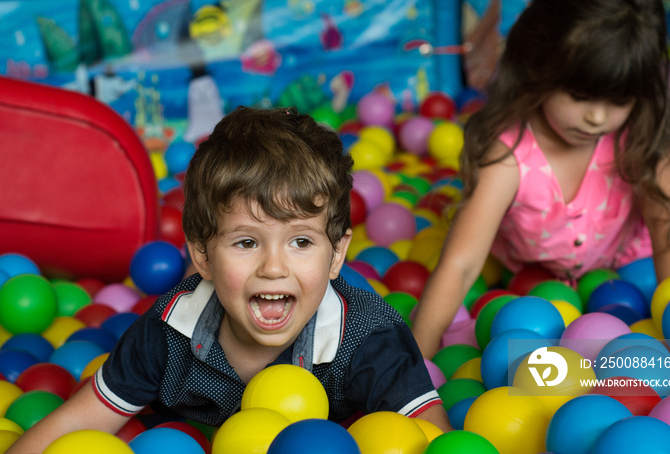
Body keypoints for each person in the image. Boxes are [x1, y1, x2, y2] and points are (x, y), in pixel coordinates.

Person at [9, 107, 451, 453]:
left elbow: (431, 438)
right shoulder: (168, 330)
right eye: (246, 243)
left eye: (300, 241)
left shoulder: (370, 338)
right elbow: (73, 425)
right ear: (201, 254)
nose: (273, 267)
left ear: (337, 254)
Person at [411, 0, 670, 359]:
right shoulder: (510, 156)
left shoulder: (641, 135)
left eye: (619, 100)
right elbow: (461, 265)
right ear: (538, 67)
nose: (596, 118)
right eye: (580, 96)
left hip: (629, 256)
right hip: (535, 273)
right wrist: (414, 365)